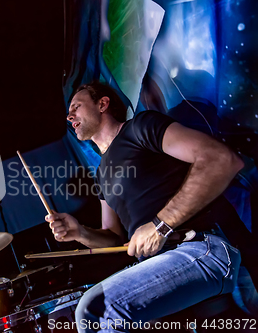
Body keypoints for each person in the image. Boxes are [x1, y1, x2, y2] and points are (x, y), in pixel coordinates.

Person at [45, 81, 247, 332]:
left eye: (76, 106)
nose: (69, 115)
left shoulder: (140, 127)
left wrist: (160, 226)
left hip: (202, 247)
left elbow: (220, 160)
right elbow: (114, 238)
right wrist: (80, 232)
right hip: (165, 264)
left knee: (96, 310)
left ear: (102, 104)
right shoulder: (100, 175)